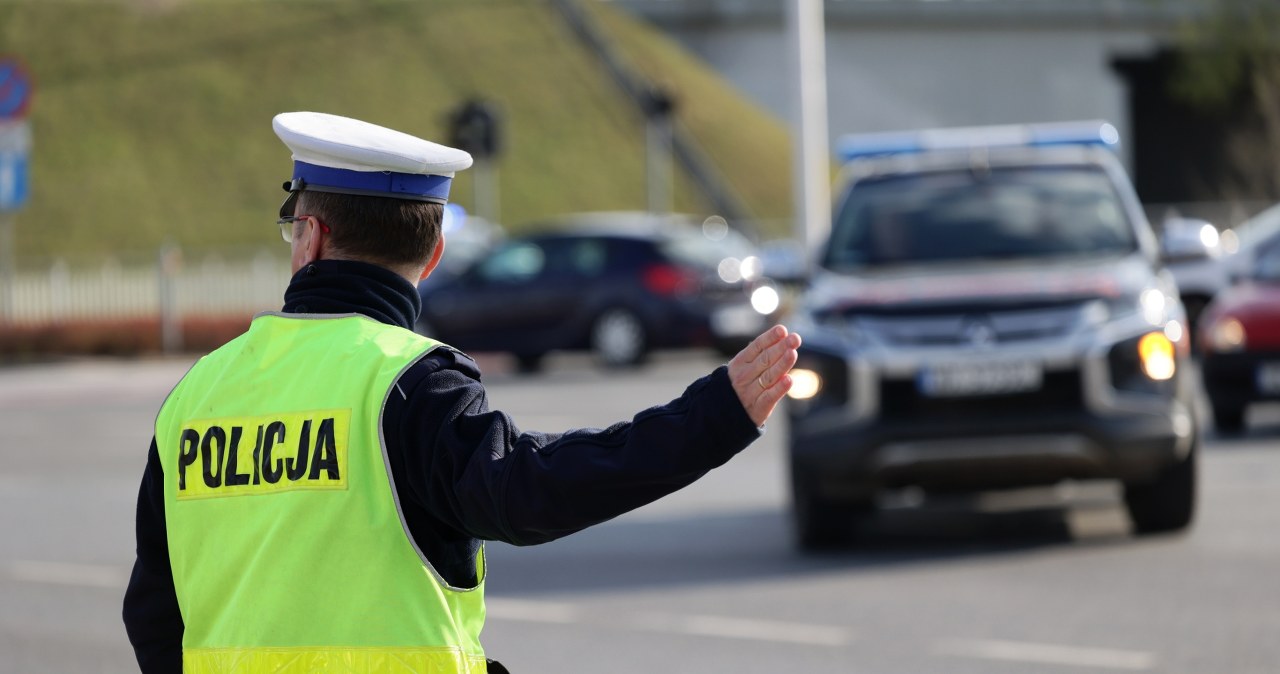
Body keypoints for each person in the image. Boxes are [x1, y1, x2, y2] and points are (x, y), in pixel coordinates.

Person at [122, 111, 801, 673]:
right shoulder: (406, 382)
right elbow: (533, 492)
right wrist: (714, 417)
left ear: (311, 238)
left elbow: (155, 611)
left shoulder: (198, 393)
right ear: (435, 252)